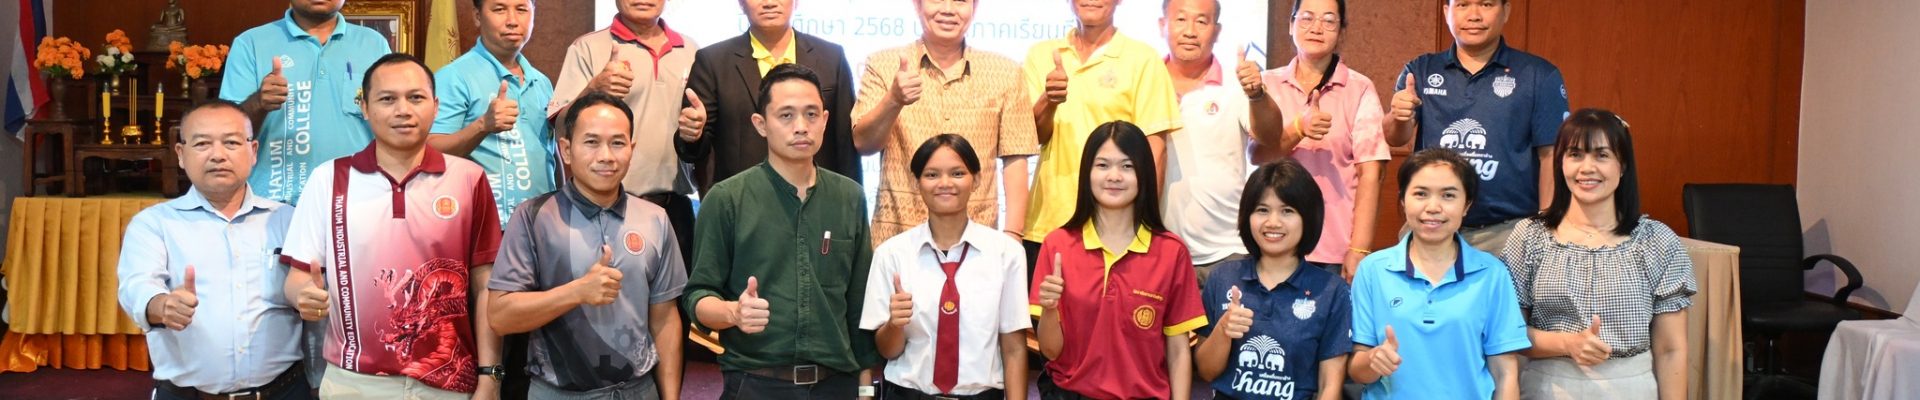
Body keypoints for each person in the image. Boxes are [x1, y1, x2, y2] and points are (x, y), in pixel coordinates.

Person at [278, 54, 504, 400]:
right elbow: (297, 278)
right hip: (353, 383)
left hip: (449, 382)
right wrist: (303, 296)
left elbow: (486, 284)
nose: (403, 110)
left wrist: (490, 376)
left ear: (435, 106)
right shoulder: (330, 179)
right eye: (387, 99)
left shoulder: (468, 179)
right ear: (364, 108)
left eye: (416, 97)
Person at [681, 63, 880, 399]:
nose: (801, 126)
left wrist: (865, 391)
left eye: (811, 114)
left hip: (836, 385)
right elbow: (697, 296)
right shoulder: (727, 198)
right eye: (786, 115)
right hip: (756, 383)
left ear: (825, 120)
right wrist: (733, 313)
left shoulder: (849, 196)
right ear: (760, 124)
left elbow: (858, 303)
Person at [489, 93, 688, 400]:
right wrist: (577, 292)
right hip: (558, 393)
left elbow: (664, 319)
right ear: (566, 150)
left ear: (632, 149)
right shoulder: (533, 217)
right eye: (592, 142)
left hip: (638, 391)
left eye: (618, 143)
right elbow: (500, 317)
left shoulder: (655, 218)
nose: (606, 156)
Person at [116, 101, 311, 400]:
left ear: (253, 151)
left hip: (284, 391)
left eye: (231, 142)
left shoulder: (288, 220)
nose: (218, 155)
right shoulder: (154, 224)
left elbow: (310, 297)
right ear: (181, 154)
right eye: (202, 144)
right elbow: (136, 286)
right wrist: (162, 305)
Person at [1501, 109, 1695, 400]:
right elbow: (1508, 334)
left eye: (1602, 155)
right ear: (1561, 163)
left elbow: (1671, 350)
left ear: (1623, 164)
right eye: (1575, 155)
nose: (1587, 168)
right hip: (1547, 387)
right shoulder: (1529, 236)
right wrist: (1566, 343)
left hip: (1632, 389)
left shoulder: (1657, 240)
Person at [1030, 121, 1205, 400]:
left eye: (1127, 166)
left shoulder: (1171, 251)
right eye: (1102, 165)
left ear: (1144, 173)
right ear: (1087, 173)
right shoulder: (1058, 245)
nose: (1114, 176)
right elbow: (1051, 352)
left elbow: (1178, 349)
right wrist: (1050, 310)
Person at [1384, 0, 1569, 253]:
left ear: (1505, 11)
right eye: (1462, 5)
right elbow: (1395, 138)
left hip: (1508, 231)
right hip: (1432, 223)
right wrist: (1398, 116)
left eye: (1486, 4)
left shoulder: (1538, 75)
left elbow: (1551, 157)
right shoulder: (1420, 70)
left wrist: (1546, 229)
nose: (1474, 15)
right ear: (1447, 12)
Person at [851, 0, 1039, 246]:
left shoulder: (1006, 72)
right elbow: (863, 143)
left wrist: (1013, 235)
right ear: (917, 5)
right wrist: (894, 100)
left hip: (978, 241)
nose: (948, 9)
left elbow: (1015, 159)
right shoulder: (883, 65)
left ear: (975, 7)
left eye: (960, 1)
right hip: (898, 238)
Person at [1347, 148, 1529, 400]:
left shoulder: (1491, 273)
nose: (1433, 207)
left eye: (1448, 195)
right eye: (1421, 194)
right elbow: (1357, 371)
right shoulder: (1373, 270)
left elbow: (1505, 373)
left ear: (1466, 205)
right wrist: (1373, 360)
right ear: (1403, 200)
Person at [860, 134, 1031, 400]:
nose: (945, 183)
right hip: (908, 394)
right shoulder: (891, 254)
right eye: (932, 175)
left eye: (957, 173)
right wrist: (894, 324)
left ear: (976, 179)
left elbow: (1014, 349)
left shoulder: (1006, 254)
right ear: (916, 182)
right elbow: (887, 351)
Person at [1020, 0, 1183, 269]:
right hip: (1047, 225)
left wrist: (1143, 226)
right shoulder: (1042, 55)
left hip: (1117, 232)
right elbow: (1031, 137)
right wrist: (1049, 100)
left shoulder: (1143, 59)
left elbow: (1155, 151)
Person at [550, 0, 702, 269]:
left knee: (677, 295)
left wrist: (698, 125)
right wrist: (594, 89)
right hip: (606, 208)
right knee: (605, 293)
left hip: (675, 209)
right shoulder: (588, 47)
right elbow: (561, 127)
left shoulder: (691, 50)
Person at [1194, 159, 1351, 400]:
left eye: (1287, 211)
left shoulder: (1331, 290)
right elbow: (1206, 372)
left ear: (1308, 217)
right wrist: (1223, 330)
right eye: (1262, 210)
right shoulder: (1223, 277)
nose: (1273, 222)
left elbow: (1330, 384)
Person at [1158, 0, 1288, 282]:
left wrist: (1256, 94)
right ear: (1162, 25)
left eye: (1201, 21)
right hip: (1159, 250)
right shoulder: (1146, 83)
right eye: (1181, 19)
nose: (1190, 31)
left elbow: (1269, 136)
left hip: (1227, 251)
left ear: (1216, 31)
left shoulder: (1235, 83)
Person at [678, 0, 861, 194]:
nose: (769, 3)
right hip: (742, 199)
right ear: (741, 3)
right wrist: (692, 135)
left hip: (817, 196)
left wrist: (852, 201)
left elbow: (845, 143)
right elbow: (693, 150)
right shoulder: (713, 61)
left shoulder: (831, 57)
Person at [220, 0, 392, 204]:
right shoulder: (250, 44)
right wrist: (259, 102)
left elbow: (391, 120)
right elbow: (225, 133)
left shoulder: (374, 44)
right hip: (274, 202)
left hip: (358, 197)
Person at [1265, 0, 1389, 281]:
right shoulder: (1266, 85)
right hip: (1271, 240)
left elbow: (1371, 172)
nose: (1316, 28)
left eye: (1329, 20)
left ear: (1342, 32)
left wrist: (1359, 248)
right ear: (1291, 25)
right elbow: (1256, 155)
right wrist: (1299, 128)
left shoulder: (1359, 88)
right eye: (1307, 18)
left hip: (1334, 248)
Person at [430, 0, 557, 226]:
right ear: (477, 16)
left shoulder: (542, 82)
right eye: (499, 9)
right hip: (486, 228)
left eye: (521, 9)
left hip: (542, 225)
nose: (512, 20)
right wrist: (482, 126)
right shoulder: (454, 77)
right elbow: (430, 151)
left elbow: (551, 156)